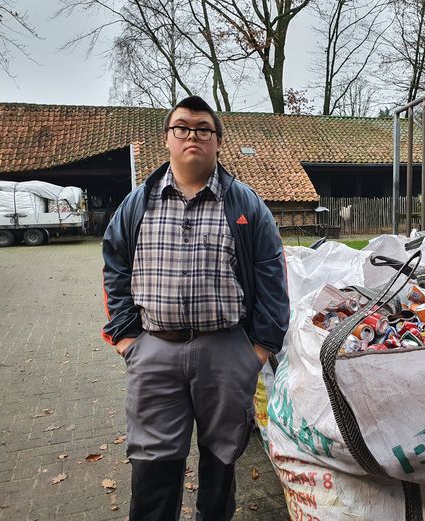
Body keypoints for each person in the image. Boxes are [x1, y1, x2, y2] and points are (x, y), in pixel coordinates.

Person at [101, 95, 289, 521]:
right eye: (181, 128)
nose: (192, 136)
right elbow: (114, 265)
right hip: (154, 351)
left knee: (221, 462)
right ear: (167, 139)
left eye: (203, 129)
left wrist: (260, 347)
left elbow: (273, 276)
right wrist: (127, 337)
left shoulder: (245, 206)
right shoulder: (138, 203)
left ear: (217, 141)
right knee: (153, 466)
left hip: (225, 353)